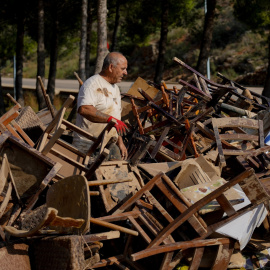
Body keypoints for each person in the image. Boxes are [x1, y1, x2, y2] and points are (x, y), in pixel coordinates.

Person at [73, 52, 129, 160]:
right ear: (111, 67)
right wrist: (110, 119)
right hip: (88, 146)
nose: (125, 73)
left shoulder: (115, 88)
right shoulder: (92, 84)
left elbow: (116, 118)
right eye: (123, 69)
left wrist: (120, 143)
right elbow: (84, 109)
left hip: (108, 146)